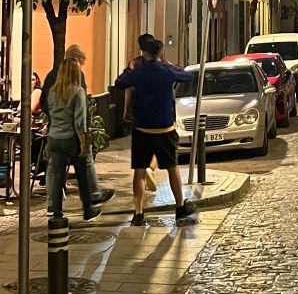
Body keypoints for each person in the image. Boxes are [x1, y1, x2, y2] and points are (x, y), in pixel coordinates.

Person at [115, 35, 197, 227]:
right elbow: (186, 76)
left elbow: (119, 83)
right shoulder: (166, 70)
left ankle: (138, 213)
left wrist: (130, 69)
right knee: (172, 168)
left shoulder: (138, 71)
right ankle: (179, 207)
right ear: (159, 53)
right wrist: (168, 64)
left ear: (144, 52)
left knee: (140, 171)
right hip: (164, 128)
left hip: (142, 128)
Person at [41, 45, 115, 206]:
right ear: (76, 58)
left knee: (54, 169)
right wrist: (84, 139)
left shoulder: (52, 80)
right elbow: (80, 116)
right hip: (72, 133)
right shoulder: (77, 84)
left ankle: (53, 205)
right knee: (84, 163)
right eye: (83, 59)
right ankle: (91, 199)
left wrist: (54, 119)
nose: (84, 63)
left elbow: (44, 103)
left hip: (55, 133)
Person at [46, 58, 101, 222]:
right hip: (71, 138)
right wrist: (84, 144)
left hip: (54, 137)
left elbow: (50, 114)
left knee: (57, 176)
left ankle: (57, 213)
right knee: (82, 175)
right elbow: (79, 121)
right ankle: (87, 209)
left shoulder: (52, 92)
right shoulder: (78, 92)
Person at [123, 34, 160, 192]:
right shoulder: (160, 64)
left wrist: (126, 108)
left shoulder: (134, 64)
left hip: (139, 111)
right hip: (158, 110)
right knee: (160, 145)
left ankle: (141, 185)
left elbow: (128, 87)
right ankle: (150, 169)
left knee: (141, 147)